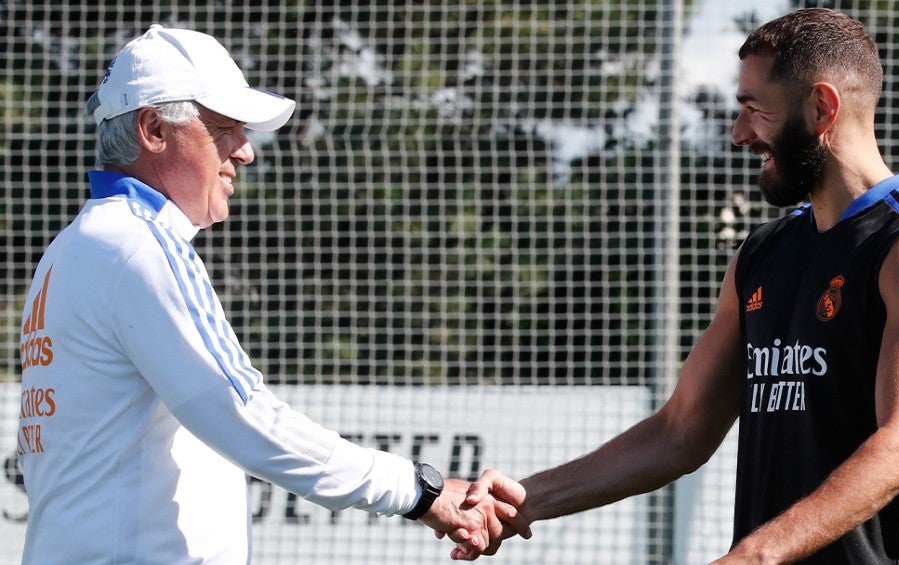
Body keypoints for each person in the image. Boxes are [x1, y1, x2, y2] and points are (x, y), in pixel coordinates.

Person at [461, 8, 899, 564]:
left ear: (822, 108)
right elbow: (679, 431)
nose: (739, 135)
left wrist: (754, 556)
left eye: (754, 110)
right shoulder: (762, 254)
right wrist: (524, 501)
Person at [16, 25, 528, 564]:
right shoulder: (142, 245)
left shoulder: (74, 247)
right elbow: (246, 418)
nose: (245, 152)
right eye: (224, 128)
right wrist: (420, 491)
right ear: (153, 129)